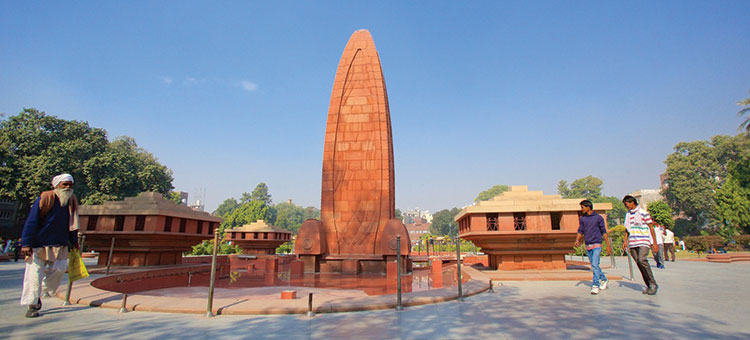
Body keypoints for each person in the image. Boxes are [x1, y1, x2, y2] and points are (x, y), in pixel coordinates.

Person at [19, 174, 79, 317]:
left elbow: (72, 225)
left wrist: (74, 243)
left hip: (60, 244)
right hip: (38, 244)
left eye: (70, 185)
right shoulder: (45, 198)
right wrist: (26, 243)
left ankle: (42, 291)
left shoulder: (71, 201)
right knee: (34, 276)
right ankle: (32, 305)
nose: (67, 187)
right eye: (64, 184)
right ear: (56, 185)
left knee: (59, 269)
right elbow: (31, 221)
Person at [622, 195, 659, 295]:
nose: (626, 206)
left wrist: (654, 243)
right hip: (633, 241)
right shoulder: (628, 215)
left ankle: (653, 284)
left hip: (643, 240)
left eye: (627, 204)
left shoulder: (643, 213)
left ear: (632, 202)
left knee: (642, 260)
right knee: (639, 263)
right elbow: (627, 229)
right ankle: (649, 285)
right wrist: (625, 241)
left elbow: (651, 227)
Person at [574, 200, 612, 295]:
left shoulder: (598, 218)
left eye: (582, 207)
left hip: (597, 244)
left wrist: (608, 245)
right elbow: (580, 230)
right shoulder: (583, 219)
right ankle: (604, 279)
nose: (581, 209)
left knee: (594, 264)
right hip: (588, 244)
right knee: (594, 265)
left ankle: (595, 285)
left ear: (588, 207)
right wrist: (577, 240)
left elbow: (604, 231)